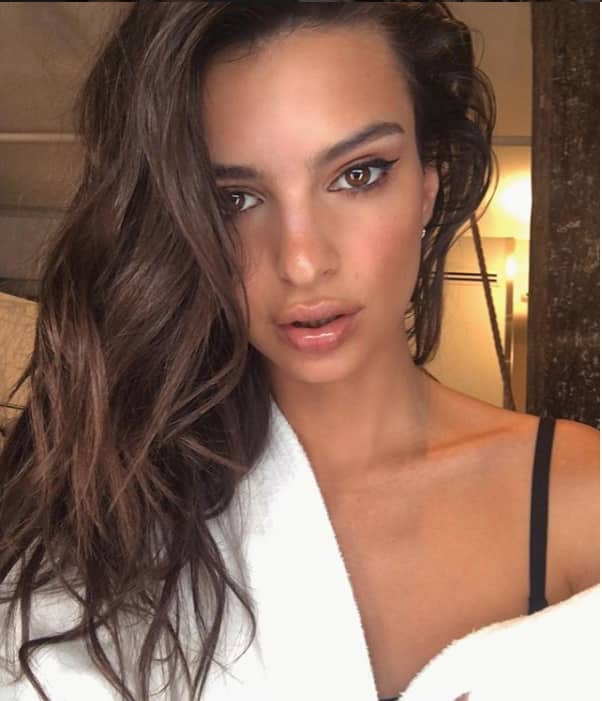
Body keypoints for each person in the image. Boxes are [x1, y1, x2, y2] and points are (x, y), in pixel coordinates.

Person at [0, 3, 599, 700]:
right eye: (234, 199)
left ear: (428, 184)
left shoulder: (580, 494)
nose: (302, 261)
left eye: (358, 174)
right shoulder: (111, 504)